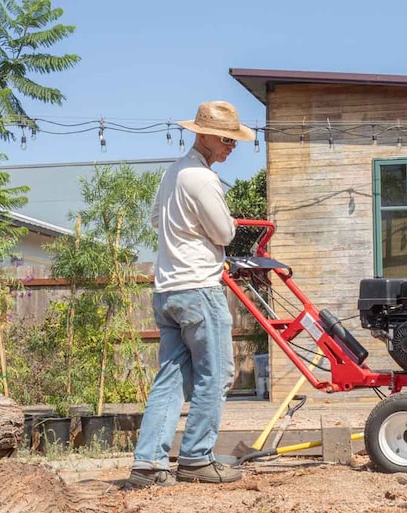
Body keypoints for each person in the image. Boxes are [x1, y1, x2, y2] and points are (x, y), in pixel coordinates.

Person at [125, 101, 255, 489]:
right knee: (216, 375)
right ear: (203, 135)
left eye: (234, 139)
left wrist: (183, 233)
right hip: (199, 289)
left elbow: (155, 220)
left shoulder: (173, 174)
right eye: (226, 139)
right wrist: (224, 224)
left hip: (167, 291)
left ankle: (148, 463)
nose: (232, 146)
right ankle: (197, 457)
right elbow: (225, 234)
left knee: (170, 378)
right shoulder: (202, 178)